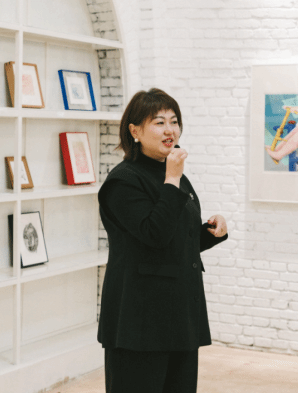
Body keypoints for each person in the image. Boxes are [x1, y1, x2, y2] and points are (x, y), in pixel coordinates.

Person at [97, 88, 229, 393]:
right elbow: (153, 235)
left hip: (179, 315)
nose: (170, 130)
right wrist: (172, 179)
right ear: (135, 131)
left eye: (174, 121)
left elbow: (174, 238)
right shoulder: (123, 181)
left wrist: (210, 232)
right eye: (159, 122)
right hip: (140, 321)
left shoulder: (171, 172)